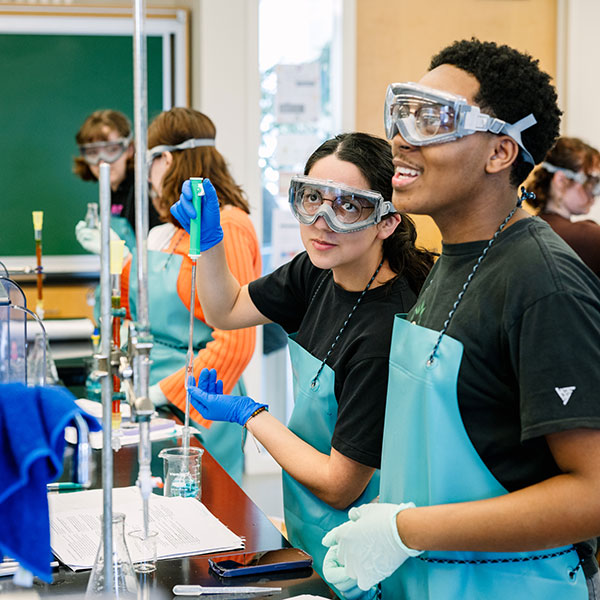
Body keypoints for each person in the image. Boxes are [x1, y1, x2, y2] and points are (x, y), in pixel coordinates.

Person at [320, 39, 600, 600]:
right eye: (403, 115)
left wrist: (405, 531)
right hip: (436, 578)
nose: (401, 138)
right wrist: (385, 517)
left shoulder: (543, 283)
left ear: (500, 152)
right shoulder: (453, 259)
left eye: (432, 119)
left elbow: (592, 494)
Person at [169, 131, 435, 593]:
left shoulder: (384, 333)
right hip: (311, 531)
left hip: (364, 553)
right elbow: (226, 309)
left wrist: (249, 414)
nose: (321, 221)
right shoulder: (315, 271)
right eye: (312, 198)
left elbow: (340, 484)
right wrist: (208, 242)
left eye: (348, 205)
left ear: (387, 221)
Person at [121, 107, 262, 483]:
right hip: (158, 406)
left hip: (201, 402)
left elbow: (235, 342)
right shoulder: (172, 230)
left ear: (164, 159)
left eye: (148, 161)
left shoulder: (225, 226)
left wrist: (163, 392)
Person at [73, 109, 161, 254]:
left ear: (129, 149)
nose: (102, 161)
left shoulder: (146, 192)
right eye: (93, 153)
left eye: (112, 149)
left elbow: (159, 261)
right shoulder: (109, 192)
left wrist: (123, 257)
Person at [526, 136, 600, 276]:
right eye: (591, 181)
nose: (595, 192)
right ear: (560, 180)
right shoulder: (590, 238)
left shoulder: (523, 232)